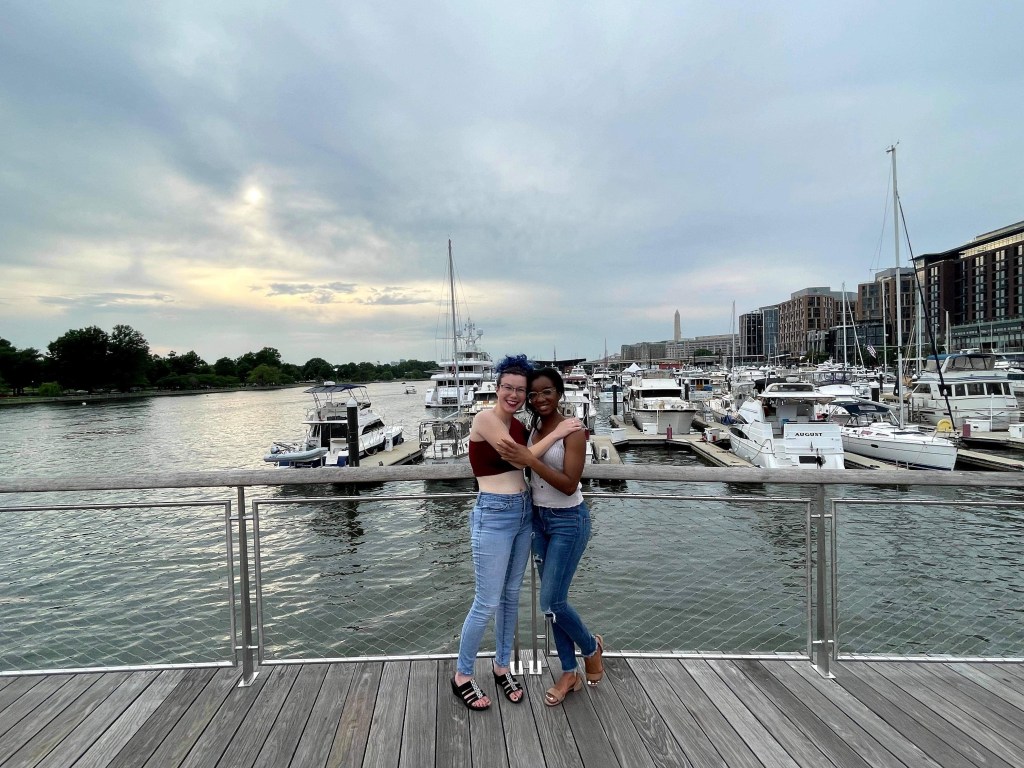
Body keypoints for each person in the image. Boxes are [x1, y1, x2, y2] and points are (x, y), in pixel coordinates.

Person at [451, 355, 582, 711]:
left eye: (520, 390)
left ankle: (501, 665)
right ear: (496, 388)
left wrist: (555, 435)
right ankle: (462, 675)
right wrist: (557, 432)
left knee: (511, 596)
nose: (513, 394)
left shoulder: (520, 426)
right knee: (486, 601)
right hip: (493, 513)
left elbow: (526, 454)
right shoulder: (486, 419)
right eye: (507, 387)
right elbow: (518, 459)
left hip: (524, 512)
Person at [496, 367, 603, 707]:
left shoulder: (572, 429)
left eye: (547, 392)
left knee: (551, 602)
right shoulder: (534, 429)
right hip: (539, 520)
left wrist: (530, 458)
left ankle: (591, 648)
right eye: (534, 394)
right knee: (554, 606)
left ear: (559, 393)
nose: (539, 399)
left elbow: (570, 483)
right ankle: (569, 672)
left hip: (569, 521)